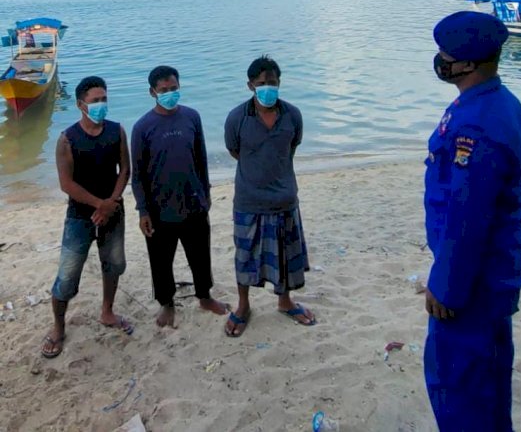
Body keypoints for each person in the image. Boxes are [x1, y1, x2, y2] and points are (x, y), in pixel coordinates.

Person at [423, 11, 521, 431]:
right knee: (486, 386)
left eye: (446, 54)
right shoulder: (493, 103)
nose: (440, 60)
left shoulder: (479, 126)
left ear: (468, 63)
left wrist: (446, 287)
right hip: (488, 275)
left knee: (460, 388)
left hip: (473, 284)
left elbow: (467, 218)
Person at [223, 55, 315, 337]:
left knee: (285, 256)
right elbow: (234, 151)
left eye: (272, 82)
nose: (267, 88)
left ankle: (285, 302)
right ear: (250, 85)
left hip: (285, 199)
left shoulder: (292, 115)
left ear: (279, 82)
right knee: (245, 256)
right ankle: (242, 306)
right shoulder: (237, 118)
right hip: (249, 201)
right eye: (261, 83)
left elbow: (291, 148)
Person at [41, 76, 132, 358]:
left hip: (113, 212)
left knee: (114, 264)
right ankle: (58, 326)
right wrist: (98, 205)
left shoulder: (116, 132)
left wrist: (112, 202)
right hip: (80, 216)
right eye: (95, 101)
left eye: (104, 99)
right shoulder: (67, 139)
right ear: (81, 105)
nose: (101, 105)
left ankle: (107, 311)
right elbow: (66, 184)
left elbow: (125, 170)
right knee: (67, 276)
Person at [130, 65, 228, 328]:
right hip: (159, 209)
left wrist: (205, 194)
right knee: (161, 260)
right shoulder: (142, 127)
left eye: (174, 88)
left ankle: (205, 297)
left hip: (194, 202)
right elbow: (137, 174)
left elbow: (201, 158)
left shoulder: (192, 118)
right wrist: (143, 210)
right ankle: (167, 303)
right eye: (164, 90)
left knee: (200, 254)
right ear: (152, 92)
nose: (170, 93)